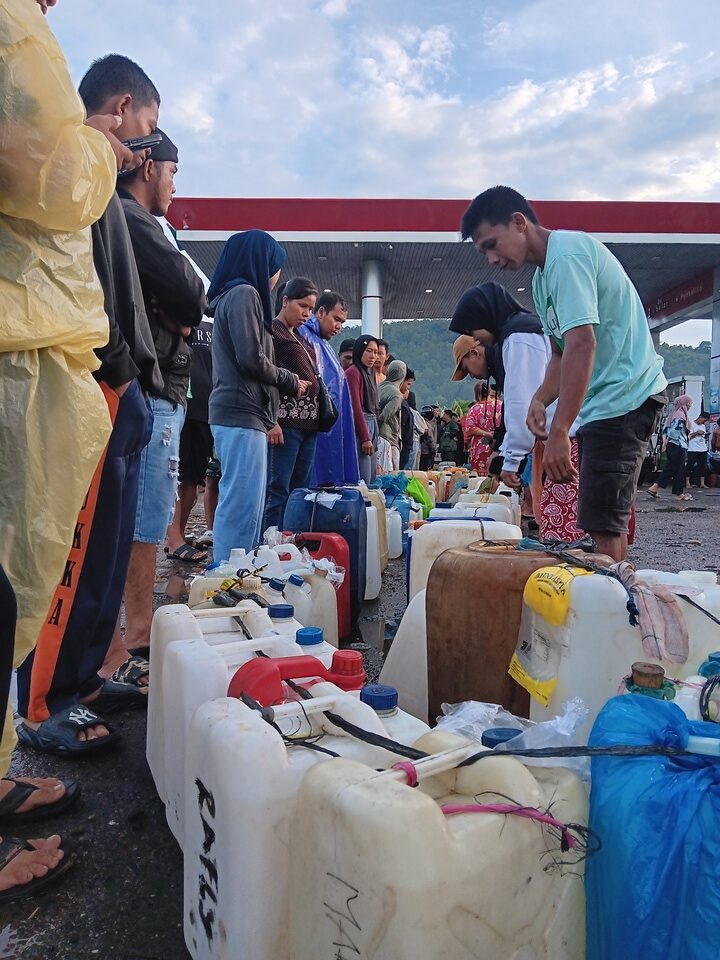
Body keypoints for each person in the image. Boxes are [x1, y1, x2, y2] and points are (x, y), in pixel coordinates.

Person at [0, 0, 124, 895]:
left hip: (26, 342)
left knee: (10, 585)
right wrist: (99, 149)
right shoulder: (10, 23)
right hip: (14, 345)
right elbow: (52, 174)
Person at [16, 53, 164, 755]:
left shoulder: (98, 174)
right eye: (149, 124)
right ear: (125, 105)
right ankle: (44, 701)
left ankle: (84, 677)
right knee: (73, 550)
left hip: (121, 377)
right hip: (95, 376)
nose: (148, 142)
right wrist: (111, 367)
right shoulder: (70, 166)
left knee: (105, 546)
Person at [461, 185, 667, 561]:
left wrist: (559, 432)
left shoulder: (567, 257)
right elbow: (558, 352)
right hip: (605, 404)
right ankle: (614, 605)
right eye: (483, 251)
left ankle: (616, 612)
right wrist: (541, 398)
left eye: (492, 244)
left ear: (519, 222)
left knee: (603, 523)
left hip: (624, 397)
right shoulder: (542, 280)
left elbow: (582, 344)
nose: (491, 258)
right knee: (601, 519)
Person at [114, 130, 207, 664]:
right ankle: (135, 634)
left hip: (161, 387)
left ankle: (129, 634)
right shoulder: (133, 219)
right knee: (143, 517)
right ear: (149, 167)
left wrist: (182, 311)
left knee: (147, 514)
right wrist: (180, 312)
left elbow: (188, 303)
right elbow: (191, 295)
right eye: (173, 172)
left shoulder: (146, 225)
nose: (174, 184)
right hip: (151, 388)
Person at [209, 230, 309, 560]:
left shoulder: (237, 295)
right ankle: (228, 577)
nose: (277, 275)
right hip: (240, 412)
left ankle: (239, 574)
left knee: (247, 505)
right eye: (275, 265)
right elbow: (251, 358)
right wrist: (289, 379)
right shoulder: (243, 295)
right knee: (240, 506)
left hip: (245, 413)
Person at [263, 278, 321, 529]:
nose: (306, 313)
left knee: (300, 491)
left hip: (309, 425)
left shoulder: (300, 337)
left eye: (310, 308)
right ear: (285, 301)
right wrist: (271, 419)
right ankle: (269, 544)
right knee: (278, 489)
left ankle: (292, 543)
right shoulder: (272, 332)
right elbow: (264, 376)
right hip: (285, 424)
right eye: (302, 306)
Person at [166, 318, 217, 558]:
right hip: (184, 406)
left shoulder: (214, 329)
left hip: (208, 412)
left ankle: (180, 533)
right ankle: (172, 537)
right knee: (178, 474)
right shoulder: (176, 322)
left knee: (193, 476)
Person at [297, 294, 360, 486]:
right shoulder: (304, 336)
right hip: (311, 426)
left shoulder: (324, 345)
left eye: (342, 322)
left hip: (329, 426)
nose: (339, 326)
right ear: (321, 312)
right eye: (337, 319)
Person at [345, 335, 380, 484]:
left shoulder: (369, 373)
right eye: (369, 351)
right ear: (360, 351)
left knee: (371, 477)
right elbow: (356, 407)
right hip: (362, 425)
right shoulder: (353, 372)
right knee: (362, 478)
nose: (373, 356)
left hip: (372, 423)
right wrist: (365, 437)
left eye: (376, 352)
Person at [647, 395, 693, 501]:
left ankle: (654, 487)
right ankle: (678, 494)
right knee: (678, 470)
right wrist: (684, 437)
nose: (690, 406)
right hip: (678, 445)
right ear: (684, 404)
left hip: (672, 445)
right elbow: (673, 431)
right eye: (689, 403)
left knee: (671, 468)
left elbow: (665, 429)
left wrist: (665, 441)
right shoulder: (680, 415)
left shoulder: (673, 414)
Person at [463, 381, 502, 474]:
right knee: (497, 471)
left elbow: (469, 428)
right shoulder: (500, 405)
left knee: (479, 475)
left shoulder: (474, 409)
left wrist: (487, 434)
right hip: (499, 443)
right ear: (489, 391)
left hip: (480, 446)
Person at [378, 360, 408, 471]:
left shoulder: (378, 387)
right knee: (392, 474)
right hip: (388, 439)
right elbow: (383, 417)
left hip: (375, 437)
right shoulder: (396, 395)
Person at [686, 411, 709, 489]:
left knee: (703, 466)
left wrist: (705, 435)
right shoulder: (692, 424)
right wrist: (697, 432)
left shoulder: (703, 426)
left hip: (702, 448)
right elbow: (689, 437)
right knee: (690, 465)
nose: (703, 422)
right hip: (693, 448)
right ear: (700, 417)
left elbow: (704, 436)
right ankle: (687, 482)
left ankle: (702, 483)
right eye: (704, 420)